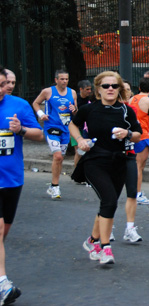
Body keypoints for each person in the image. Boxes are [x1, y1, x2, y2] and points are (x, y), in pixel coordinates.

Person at [70, 71, 142, 265]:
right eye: (105, 86)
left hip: (119, 162)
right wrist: (80, 140)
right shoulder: (89, 109)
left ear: (119, 89)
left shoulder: (126, 111)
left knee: (108, 203)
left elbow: (138, 134)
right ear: (98, 89)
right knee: (109, 200)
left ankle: (91, 240)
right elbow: (73, 125)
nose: (110, 89)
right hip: (95, 161)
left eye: (114, 86)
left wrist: (127, 133)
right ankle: (105, 248)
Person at [0, 66, 43, 305]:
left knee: (3, 232)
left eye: (5, 83)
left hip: (12, 178)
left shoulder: (18, 105)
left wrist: (21, 130)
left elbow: (39, 134)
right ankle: (2, 284)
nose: (4, 88)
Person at [32, 70, 77, 199]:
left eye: (66, 79)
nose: (64, 81)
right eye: (62, 79)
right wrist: (41, 115)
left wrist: (74, 109)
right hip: (51, 127)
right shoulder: (48, 91)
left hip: (66, 128)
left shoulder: (72, 92)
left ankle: (53, 186)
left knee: (60, 158)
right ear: (56, 80)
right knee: (57, 156)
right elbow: (35, 103)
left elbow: (75, 110)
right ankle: (55, 186)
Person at [127, 77, 149, 240]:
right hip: (144, 135)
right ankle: (137, 193)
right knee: (140, 167)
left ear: (139, 87)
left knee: (134, 165)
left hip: (132, 135)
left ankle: (136, 192)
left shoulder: (132, 98)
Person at [72, 80, 95, 168]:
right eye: (87, 89)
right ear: (81, 89)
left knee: (86, 151)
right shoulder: (76, 99)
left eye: (90, 89)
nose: (89, 91)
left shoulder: (91, 98)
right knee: (79, 151)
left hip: (86, 127)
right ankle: (76, 171)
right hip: (76, 127)